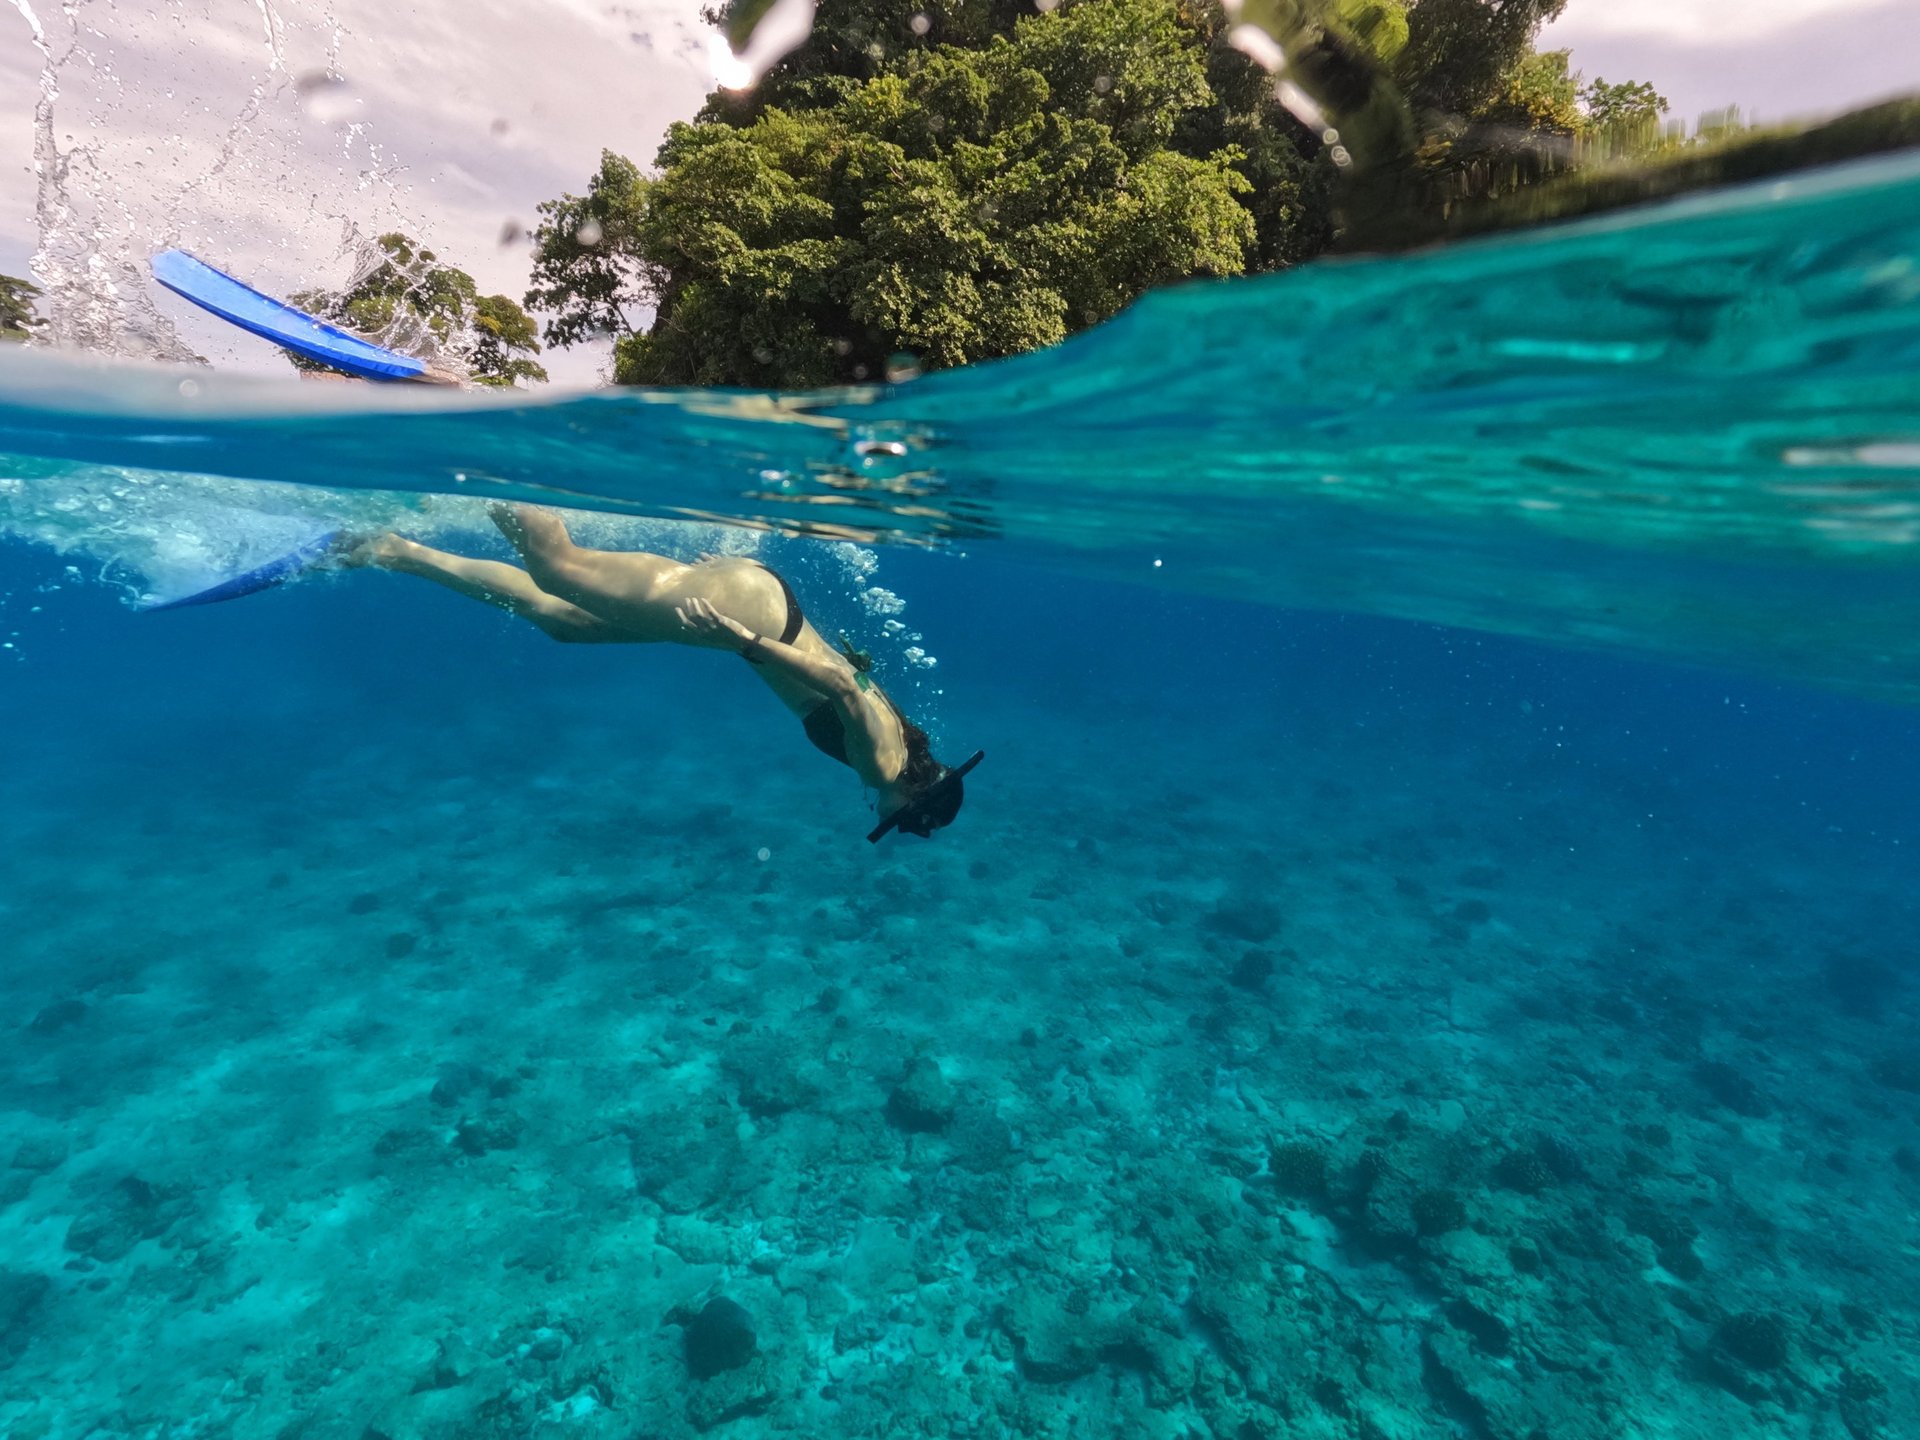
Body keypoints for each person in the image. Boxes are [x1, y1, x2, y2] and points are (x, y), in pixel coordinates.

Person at [341, 504, 980, 842]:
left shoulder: (903, 740)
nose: (884, 811)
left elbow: (848, 675)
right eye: (900, 817)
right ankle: (485, 444)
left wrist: (745, 604)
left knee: (566, 621)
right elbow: (840, 683)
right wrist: (746, 637)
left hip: (761, 605)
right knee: (558, 567)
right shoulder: (882, 764)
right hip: (749, 618)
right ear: (917, 796)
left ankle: (397, 550)